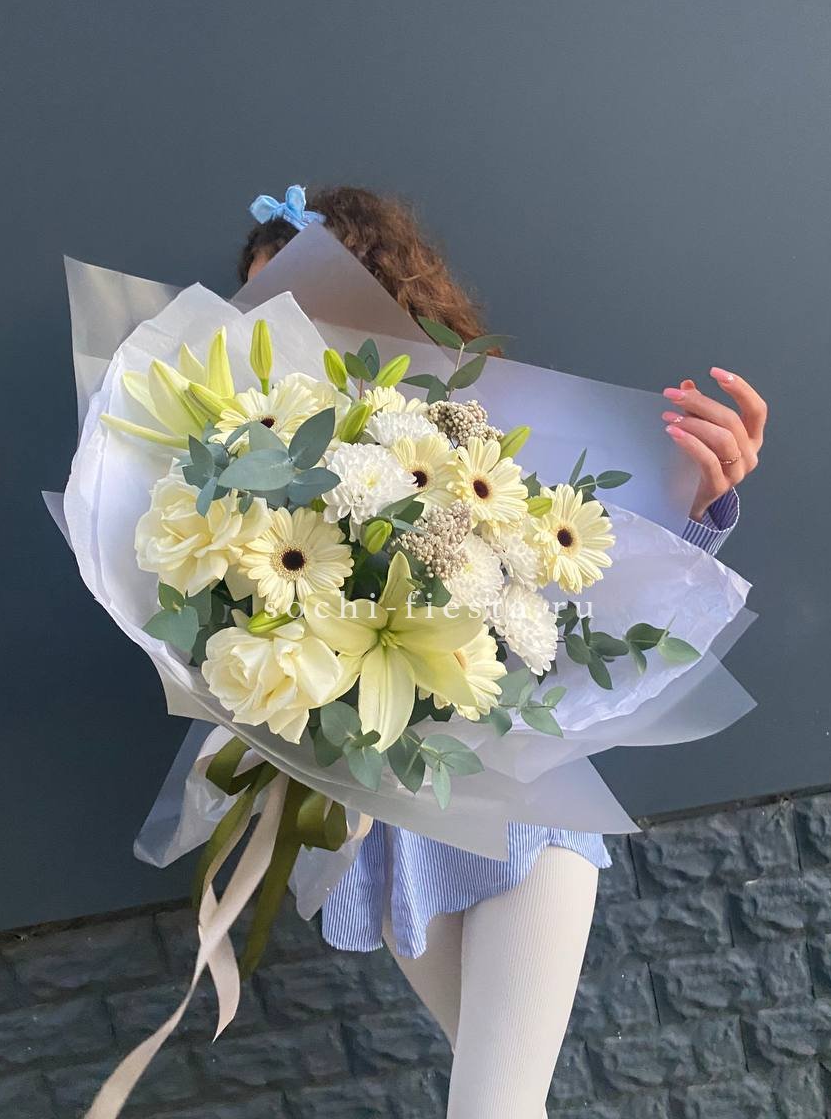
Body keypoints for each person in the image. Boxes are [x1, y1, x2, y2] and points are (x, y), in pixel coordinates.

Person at [240, 184, 767, 1119]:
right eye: (258, 305)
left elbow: (583, 578)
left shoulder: (474, 436)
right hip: (384, 826)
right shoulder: (247, 473)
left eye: (303, 293)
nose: (280, 325)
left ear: (381, 295)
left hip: (524, 807)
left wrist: (691, 502)